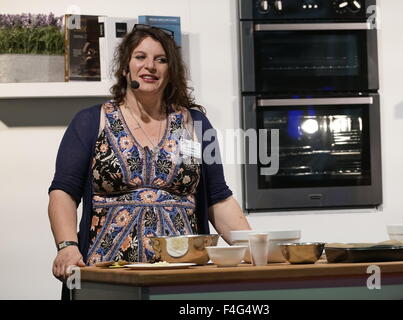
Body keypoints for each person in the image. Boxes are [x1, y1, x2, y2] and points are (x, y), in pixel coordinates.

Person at [48, 25, 251, 290]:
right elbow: (63, 191)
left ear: (171, 71)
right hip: (106, 274)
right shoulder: (90, 122)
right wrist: (67, 247)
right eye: (140, 57)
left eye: (161, 59)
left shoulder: (194, 126)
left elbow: (218, 199)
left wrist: (257, 248)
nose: (150, 66)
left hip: (183, 273)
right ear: (126, 67)